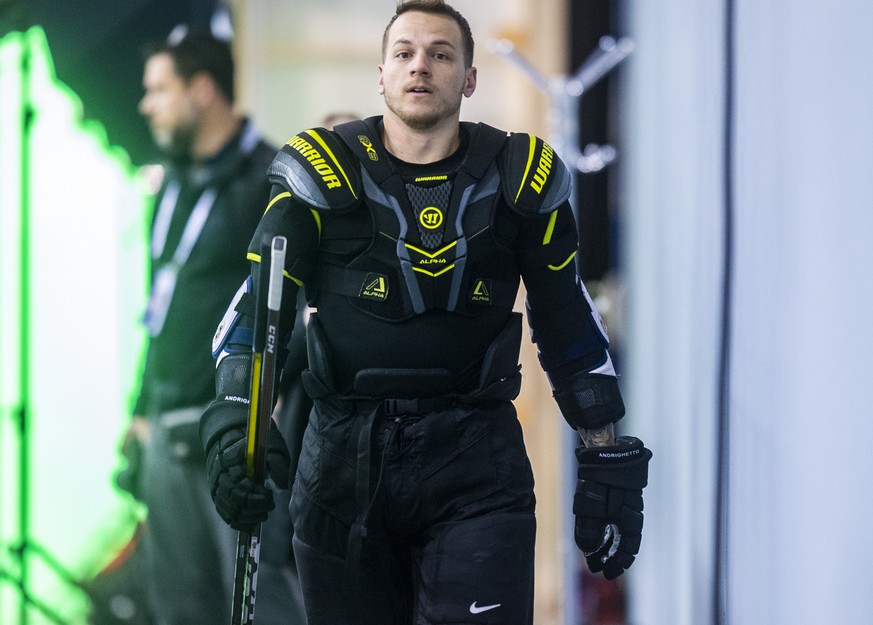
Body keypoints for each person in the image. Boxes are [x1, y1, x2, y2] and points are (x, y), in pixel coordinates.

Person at [200, 2, 652, 624]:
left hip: (477, 462)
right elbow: (257, 310)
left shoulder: (521, 178)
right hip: (341, 465)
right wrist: (232, 421)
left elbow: (567, 319)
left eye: (441, 54)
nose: (421, 67)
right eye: (405, 53)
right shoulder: (318, 173)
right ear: (380, 75)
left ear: (469, 78)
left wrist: (603, 447)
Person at [116, 28, 305, 625]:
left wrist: (264, 415)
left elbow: (291, 316)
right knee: (177, 611)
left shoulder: (270, 183)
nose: (147, 105)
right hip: (164, 437)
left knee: (257, 607)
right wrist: (139, 407)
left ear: (202, 90)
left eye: (159, 90)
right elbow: (162, 308)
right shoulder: (168, 183)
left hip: (232, 439)